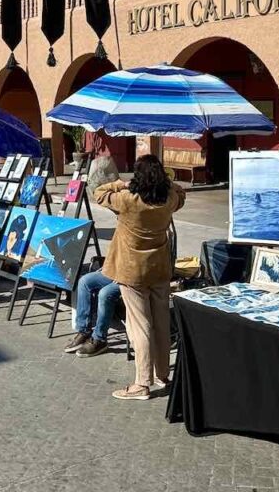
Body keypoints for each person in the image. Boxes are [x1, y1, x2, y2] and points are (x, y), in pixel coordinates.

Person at [95, 154, 185, 401]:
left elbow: (99, 192)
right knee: (161, 322)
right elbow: (181, 194)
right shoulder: (169, 199)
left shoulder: (127, 199)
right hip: (159, 268)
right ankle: (162, 373)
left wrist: (120, 184)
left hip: (132, 270)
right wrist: (168, 185)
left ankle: (141, 383)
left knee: (140, 325)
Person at [64, 269, 121, 358]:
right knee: (85, 281)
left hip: (133, 275)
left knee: (105, 293)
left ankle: (100, 339)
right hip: (116, 270)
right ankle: (84, 331)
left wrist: (125, 275)